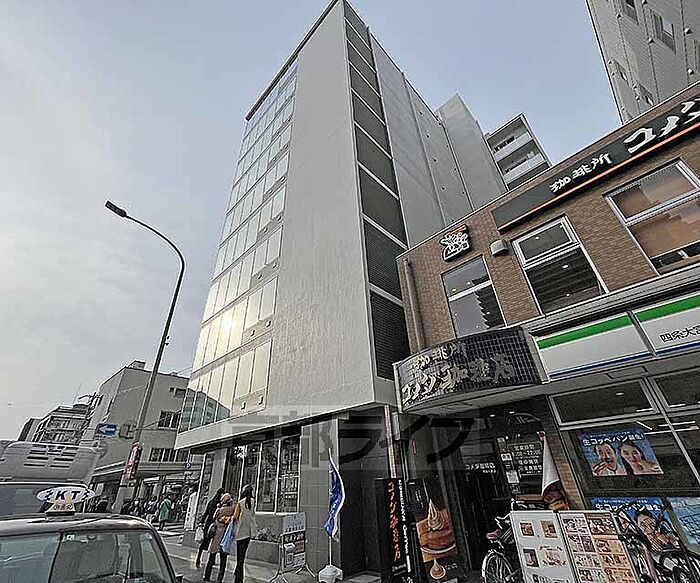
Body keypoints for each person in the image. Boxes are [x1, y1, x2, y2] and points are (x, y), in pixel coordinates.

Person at [203, 493, 235, 582]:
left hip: (216, 535)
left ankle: (207, 576)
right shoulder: (232, 510)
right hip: (225, 537)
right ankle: (220, 579)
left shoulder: (219, 510)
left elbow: (214, 518)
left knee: (211, 557)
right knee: (223, 561)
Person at [232, 484, 257, 583]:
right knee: (243, 555)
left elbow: (235, 517)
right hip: (248, 532)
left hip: (240, 532)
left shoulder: (240, 503)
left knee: (240, 556)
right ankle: (237, 573)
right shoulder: (252, 502)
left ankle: (239, 577)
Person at [196, 487, 225, 567]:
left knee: (204, 542)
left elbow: (206, 513)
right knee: (214, 542)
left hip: (208, 524)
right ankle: (212, 559)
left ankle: (198, 558)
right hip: (215, 524)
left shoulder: (211, 502)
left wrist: (202, 522)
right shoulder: (220, 504)